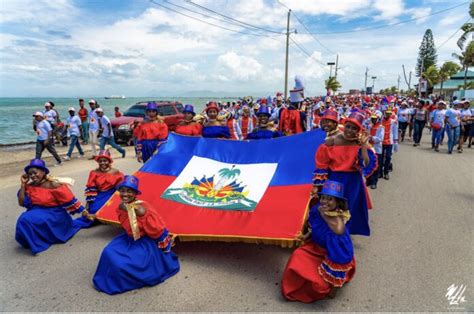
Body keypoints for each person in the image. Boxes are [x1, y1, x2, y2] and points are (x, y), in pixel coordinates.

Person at [93, 175, 180, 295]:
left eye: (129, 191)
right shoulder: (121, 205)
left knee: (122, 263)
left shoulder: (143, 209)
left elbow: (157, 230)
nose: (125, 194)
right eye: (122, 190)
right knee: (108, 251)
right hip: (128, 239)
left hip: (143, 242)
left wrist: (141, 214)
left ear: (135, 193)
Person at [281, 180, 355, 303]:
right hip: (315, 247)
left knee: (320, 286)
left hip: (333, 254)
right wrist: (305, 236)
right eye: (324, 198)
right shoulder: (317, 209)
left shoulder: (339, 218)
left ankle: (335, 287)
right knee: (297, 256)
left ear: (337, 202)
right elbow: (313, 226)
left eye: (330, 199)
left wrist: (324, 214)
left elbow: (338, 230)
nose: (325, 201)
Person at [312, 112, 377, 236]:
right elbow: (322, 163)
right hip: (335, 179)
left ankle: (344, 234)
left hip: (353, 181)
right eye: (348, 126)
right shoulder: (332, 141)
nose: (350, 130)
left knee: (349, 207)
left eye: (354, 128)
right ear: (343, 125)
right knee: (331, 207)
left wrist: (363, 146)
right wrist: (318, 185)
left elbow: (366, 163)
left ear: (358, 130)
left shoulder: (360, 143)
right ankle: (331, 233)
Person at [15, 159, 83, 254]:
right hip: (37, 211)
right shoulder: (30, 186)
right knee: (24, 219)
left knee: (25, 219)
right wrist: (23, 185)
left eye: (35, 172)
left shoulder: (53, 184)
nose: (33, 176)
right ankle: (33, 240)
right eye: (30, 174)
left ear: (43, 171)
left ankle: (39, 241)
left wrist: (85, 213)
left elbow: (71, 201)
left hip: (55, 214)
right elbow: (21, 203)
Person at [75, 150, 124, 228]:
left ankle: (105, 218)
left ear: (109, 161)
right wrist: (87, 205)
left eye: (105, 160)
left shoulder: (115, 172)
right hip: (99, 194)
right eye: (100, 161)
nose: (102, 163)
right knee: (93, 210)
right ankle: (100, 219)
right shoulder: (94, 173)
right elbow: (91, 189)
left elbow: (121, 186)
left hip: (111, 194)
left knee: (109, 207)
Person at [366, 111, 384, 189]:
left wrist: (371, 137)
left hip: (377, 149)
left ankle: (374, 182)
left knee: (376, 166)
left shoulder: (381, 127)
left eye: (374, 119)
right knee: (369, 165)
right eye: (372, 118)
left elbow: (380, 138)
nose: (373, 120)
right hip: (369, 148)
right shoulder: (370, 126)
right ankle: (368, 180)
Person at [380, 109, 398, 179]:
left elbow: (395, 132)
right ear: (384, 113)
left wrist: (396, 142)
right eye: (387, 113)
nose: (388, 115)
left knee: (388, 157)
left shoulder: (393, 122)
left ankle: (386, 172)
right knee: (380, 158)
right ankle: (380, 172)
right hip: (381, 141)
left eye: (389, 113)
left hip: (389, 142)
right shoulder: (380, 121)